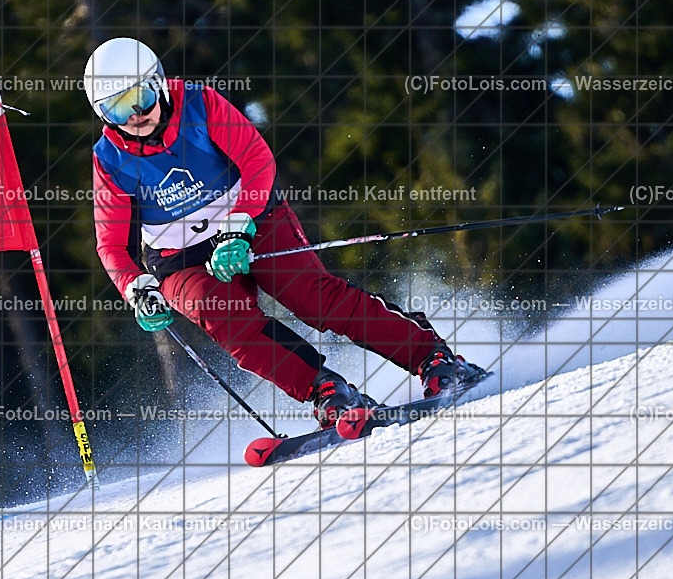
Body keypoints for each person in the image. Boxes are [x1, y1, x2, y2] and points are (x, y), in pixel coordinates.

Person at [85, 37, 486, 429]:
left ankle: (432, 358)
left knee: (310, 296)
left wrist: (237, 225)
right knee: (225, 316)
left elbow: (257, 159)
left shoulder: (199, 104)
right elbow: (112, 244)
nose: (135, 115)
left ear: (158, 85)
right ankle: (328, 392)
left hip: (251, 216)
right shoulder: (110, 159)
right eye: (117, 109)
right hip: (181, 256)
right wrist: (137, 289)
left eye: (140, 98)